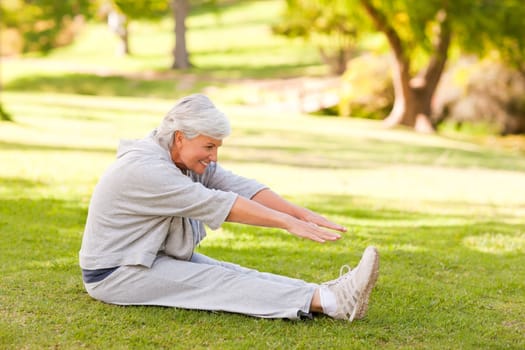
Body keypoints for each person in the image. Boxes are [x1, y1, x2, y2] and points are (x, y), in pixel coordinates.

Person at [79, 94, 379, 321]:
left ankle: (325, 295)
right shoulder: (147, 170)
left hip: (146, 257)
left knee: (231, 271)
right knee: (220, 282)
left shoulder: (178, 156)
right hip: (116, 273)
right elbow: (221, 204)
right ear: (181, 137)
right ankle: (333, 301)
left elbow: (237, 186)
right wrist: (287, 223)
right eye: (209, 147)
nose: (214, 157)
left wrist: (298, 212)